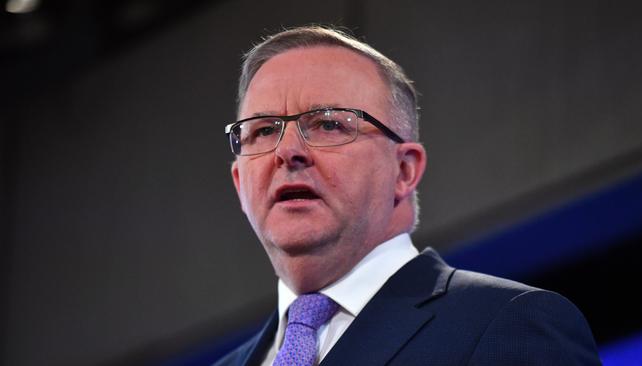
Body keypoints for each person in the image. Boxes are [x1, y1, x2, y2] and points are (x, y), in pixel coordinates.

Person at [214, 25, 601, 366]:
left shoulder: (508, 324)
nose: (287, 151)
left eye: (329, 124)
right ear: (239, 183)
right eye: (263, 130)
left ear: (404, 170)